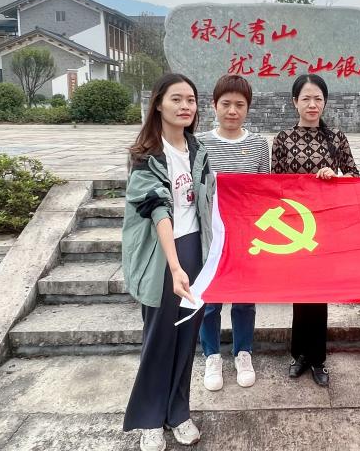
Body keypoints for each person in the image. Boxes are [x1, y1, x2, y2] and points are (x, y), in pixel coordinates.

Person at [122, 73, 212, 451]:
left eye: (190, 99)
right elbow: (158, 210)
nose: (185, 106)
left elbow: (208, 201)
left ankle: (178, 412)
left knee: (187, 337)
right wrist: (175, 267)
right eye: (176, 99)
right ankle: (149, 419)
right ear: (158, 103)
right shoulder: (146, 155)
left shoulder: (198, 150)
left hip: (194, 248)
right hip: (163, 255)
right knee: (160, 337)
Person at [272, 74, 360, 387]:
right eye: (306, 98)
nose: (312, 104)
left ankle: (318, 358)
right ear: (295, 102)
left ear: (325, 102)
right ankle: (299, 355)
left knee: (320, 293)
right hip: (296, 226)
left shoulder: (336, 137)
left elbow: (355, 177)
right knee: (300, 293)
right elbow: (275, 184)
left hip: (327, 226)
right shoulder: (283, 139)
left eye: (318, 99)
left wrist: (335, 176)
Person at [197, 75, 270, 392]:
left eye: (239, 105)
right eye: (225, 104)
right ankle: (212, 355)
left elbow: (265, 191)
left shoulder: (259, 145)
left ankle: (243, 352)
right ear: (214, 105)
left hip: (246, 236)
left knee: (244, 299)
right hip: (210, 236)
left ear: (247, 108)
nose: (232, 111)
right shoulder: (198, 143)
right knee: (210, 300)